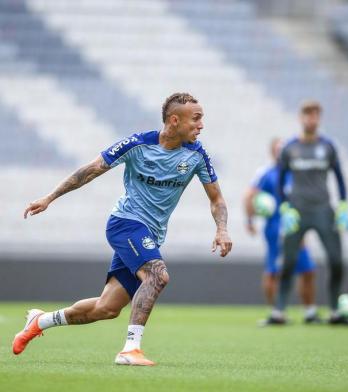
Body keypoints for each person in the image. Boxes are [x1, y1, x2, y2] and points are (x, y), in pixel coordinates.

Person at [14, 92, 233, 366]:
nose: (201, 125)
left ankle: (41, 320)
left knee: (106, 308)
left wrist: (222, 229)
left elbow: (217, 199)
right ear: (174, 120)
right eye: (196, 119)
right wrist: (49, 197)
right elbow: (92, 169)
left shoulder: (197, 155)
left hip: (149, 235)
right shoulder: (138, 144)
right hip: (125, 224)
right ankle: (130, 349)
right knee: (158, 275)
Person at [270, 100, 348, 325]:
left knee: (336, 261)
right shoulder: (290, 147)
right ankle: (279, 311)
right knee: (288, 262)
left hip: (323, 210)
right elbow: (279, 180)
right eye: (307, 115)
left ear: (319, 118)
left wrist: (343, 205)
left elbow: (339, 177)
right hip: (297, 211)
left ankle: (335, 311)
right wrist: (285, 206)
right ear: (301, 118)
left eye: (315, 115)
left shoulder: (327, 146)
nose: (311, 119)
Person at [244, 138, 319, 325]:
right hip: (275, 227)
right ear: (272, 152)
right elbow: (249, 195)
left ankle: (310, 312)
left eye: (283, 149)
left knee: (308, 269)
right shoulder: (266, 173)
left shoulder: (297, 172)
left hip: (296, 226)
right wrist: (250, 219)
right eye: (277, 149)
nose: (281, 152)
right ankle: (276, 312)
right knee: (273, 270)